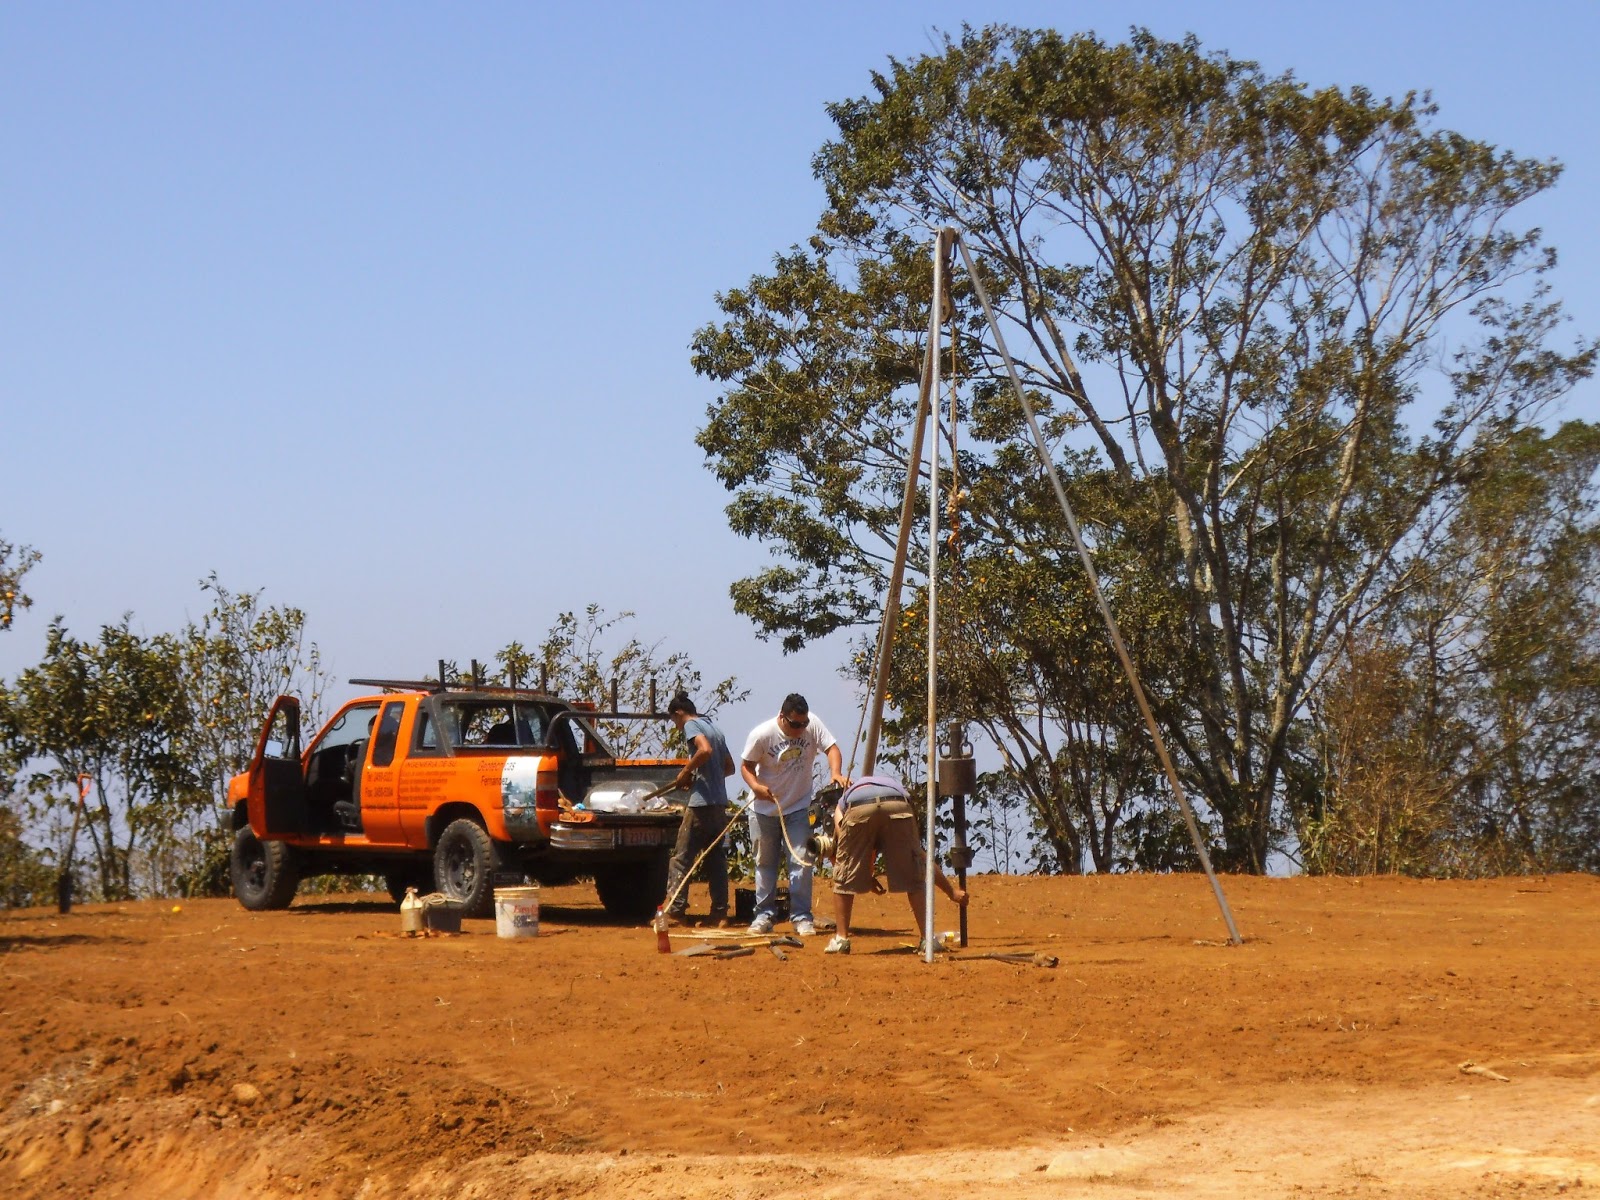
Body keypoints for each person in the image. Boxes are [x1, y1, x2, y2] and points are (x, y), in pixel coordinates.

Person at [740, 693, 849, 937]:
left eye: (804, 724)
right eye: (795, 724)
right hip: (763, 810)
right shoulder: (762, 734)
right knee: (765, 863)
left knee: (802, 860)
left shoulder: (813, 724)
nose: (801, 729)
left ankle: (801, 917)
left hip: (798, 807)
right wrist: (756, 787)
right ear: (782, 717)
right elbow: (746, 766)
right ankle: (764, 916)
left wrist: (836, 772)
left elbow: (832, 748)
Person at [824, 773, 969, 954]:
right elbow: (922, 857)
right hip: (898, 803)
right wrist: (951, 892)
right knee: (914, 868)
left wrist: (864, 875)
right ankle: (927, 939)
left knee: (844, 873)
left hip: (859, 806)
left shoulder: (841, 806)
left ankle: (841, 940)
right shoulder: (890, 785)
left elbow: (848, 855)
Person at [661, 691, 736, 928]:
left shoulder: (691, 725)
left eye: (674, 721)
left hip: (701, 804)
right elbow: (729, 767)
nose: (676, 726)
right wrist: (703, 777)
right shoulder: (715, 729)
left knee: (681, 858)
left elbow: (704, 750)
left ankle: (676, 911)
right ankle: (720, 913)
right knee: (716, 858)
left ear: (678, 713)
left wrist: (686, 772)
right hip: (719, 802)